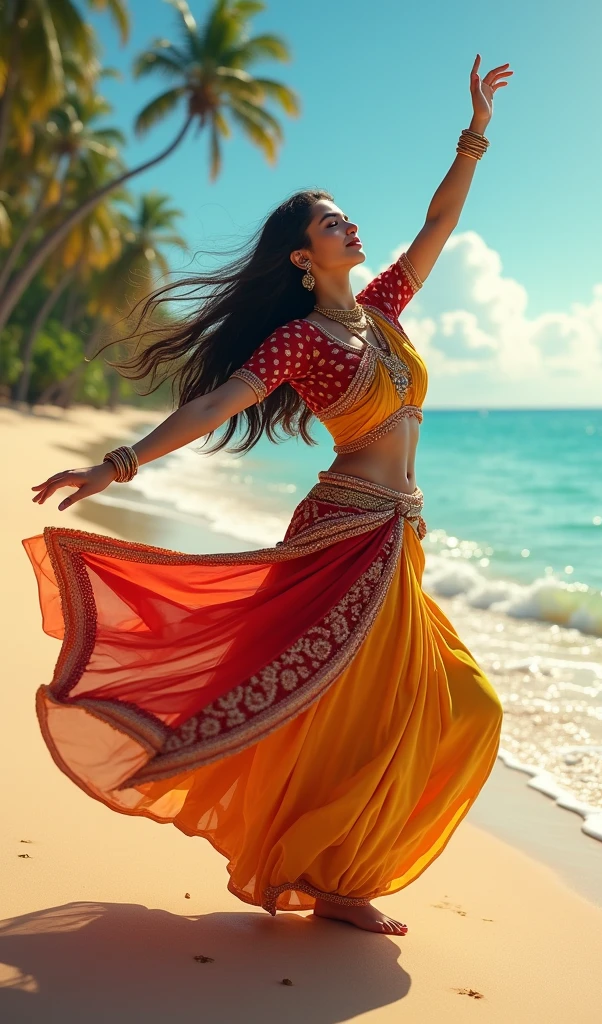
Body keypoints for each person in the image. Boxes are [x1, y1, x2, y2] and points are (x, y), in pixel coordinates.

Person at [25, 56, 512, 936]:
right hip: (343, 538)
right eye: (331, 221)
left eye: (345, 215)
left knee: (466, 705)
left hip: (398, 538)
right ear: (302, 256)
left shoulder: (386, 312)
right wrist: (120, 463)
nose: (349, 223)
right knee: (346, 712)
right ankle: (328, 876)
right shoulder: (301, 342)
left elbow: (438, 224)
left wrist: (473, 133)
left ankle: (331, 868)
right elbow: (213, 404)